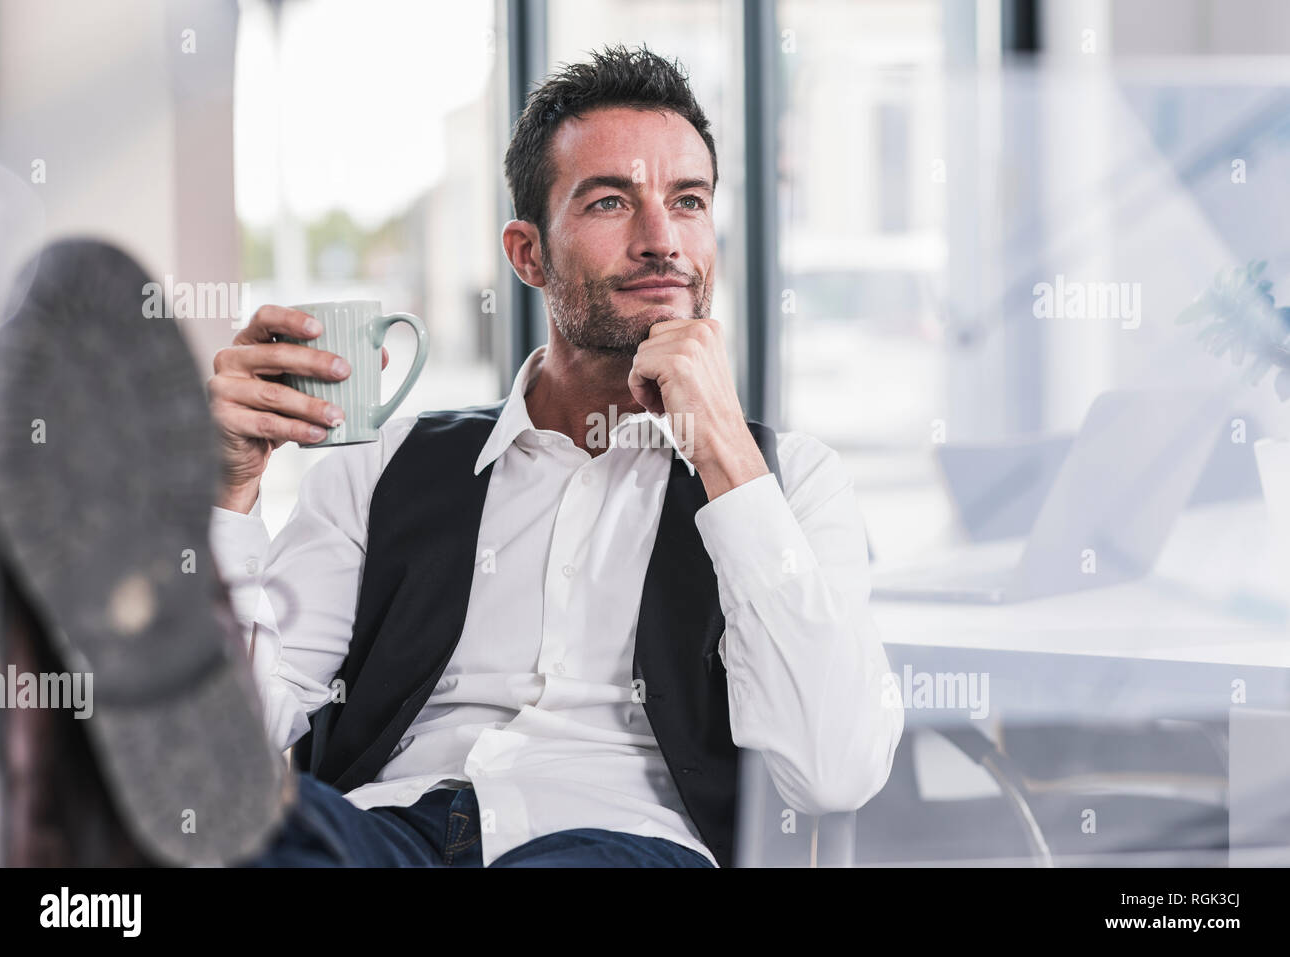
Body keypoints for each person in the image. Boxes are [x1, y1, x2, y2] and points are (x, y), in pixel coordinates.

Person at [207, 44, 903, 868]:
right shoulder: (379, 472)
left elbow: (835, 771)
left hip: (620, 842)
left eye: (687, 201)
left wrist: (724, 452)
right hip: (384, 834)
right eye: (611, 201)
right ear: (528, 253)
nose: (660, 241)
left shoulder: (789, 482)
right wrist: (227, 496)